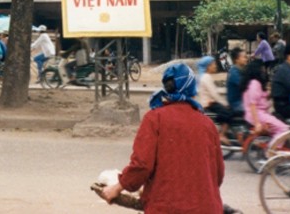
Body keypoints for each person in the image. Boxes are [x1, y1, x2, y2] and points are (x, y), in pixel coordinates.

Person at [100, 64, 225, 213]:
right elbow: (218, 175)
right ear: (192, 88)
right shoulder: (208, 124)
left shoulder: (154, 119)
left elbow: (142, 165)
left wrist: (117, 188)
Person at [241, 59, 289, 140]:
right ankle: (273, 150)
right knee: (284, 128)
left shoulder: (252, 83)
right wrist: (257, 124)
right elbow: (253, 105)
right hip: (258, 115)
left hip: (260, 114)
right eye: (262, 69)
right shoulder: (254, 84)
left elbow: (262, 98)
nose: (264, 72)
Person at [197, 56, 234, 144]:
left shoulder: (205, 77)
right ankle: (222, 134)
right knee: (228, 114)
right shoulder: (206, 77)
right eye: (213, 64)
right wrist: (224, 104)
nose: (215, 66)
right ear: (208, 66)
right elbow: (214, 94)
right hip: (209, 104)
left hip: (210, 103)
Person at [226, 47, 249, 115]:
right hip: (236, 104)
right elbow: (245, 86)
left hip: (242, 101)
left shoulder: (241, 70)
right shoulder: (234, 72)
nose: (246, 59)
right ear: (237, 60)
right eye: (244, 57)